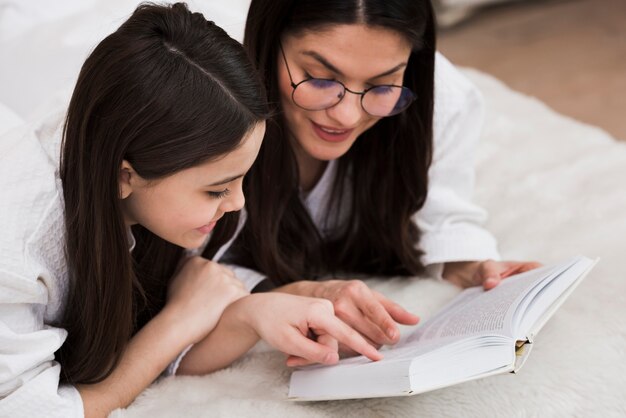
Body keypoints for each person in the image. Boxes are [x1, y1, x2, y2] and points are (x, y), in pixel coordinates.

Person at [0, 4, 380, 417]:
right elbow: (36, 410)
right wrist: (176, 323)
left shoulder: (139, 176)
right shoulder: (19, 248)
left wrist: (258, 311)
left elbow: (149, 323)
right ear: (124, 176)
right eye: (216, 190)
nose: (238, 203)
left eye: (240, 180)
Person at [215, 0, 541, 351]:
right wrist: (295, 293)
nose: (347, 116)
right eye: (320, 78)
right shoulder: (205, 96)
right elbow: (184, 269)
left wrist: (473, 267)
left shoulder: (445, 99)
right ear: (268, 41)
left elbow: (442, 214)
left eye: (383, 86)